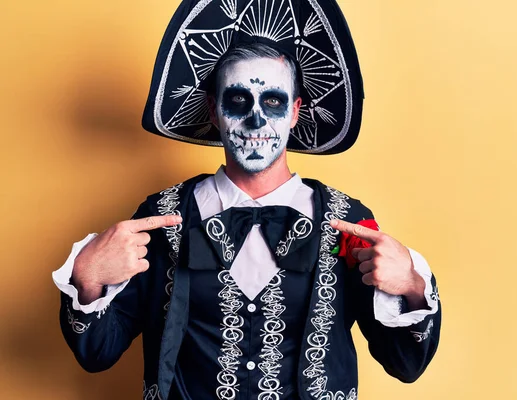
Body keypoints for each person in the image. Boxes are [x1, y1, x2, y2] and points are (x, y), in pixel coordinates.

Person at [53, 1, 441, 399]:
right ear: (214, 111)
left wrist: (411, 285)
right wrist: (88, 280)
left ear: (294, 112)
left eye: (272, 102)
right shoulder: (160, 218)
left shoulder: (347, 220)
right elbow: (97, 353)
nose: (256, 120)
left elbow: (406, 364)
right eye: (237, 101)